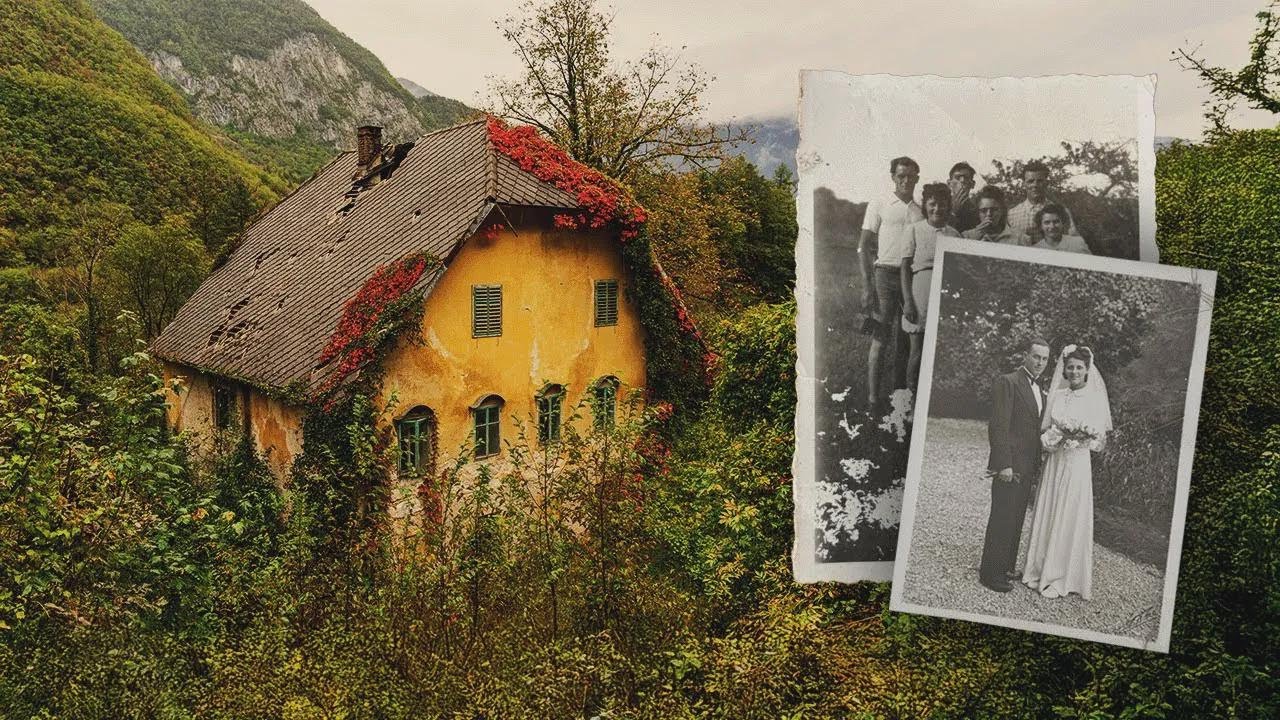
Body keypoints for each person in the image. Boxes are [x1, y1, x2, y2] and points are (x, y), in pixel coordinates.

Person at [1022, 345, 1113, 599]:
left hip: (1077, 465)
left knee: (1069, 513)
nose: (1074, 371)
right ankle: (1038, 571)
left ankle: (1061, 577)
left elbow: (1099, 441)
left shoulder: (1094, 399)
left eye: (1079, 367)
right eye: (1070, 367)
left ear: (1087, 369)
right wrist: (1054, 439)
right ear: (1064, 369)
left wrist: (1081, 438)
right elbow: (1047, 431)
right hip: (1056, 462)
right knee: (1050, 508)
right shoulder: (1059, 395)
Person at [979, 338, 1050, 593]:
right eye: (1036, 356)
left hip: (1028, 465)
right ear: (1025, 356)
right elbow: (998, 426)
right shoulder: (1008, 382)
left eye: (1044, 359)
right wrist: (1004, 464)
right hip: (1010, 465)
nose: (1040, 362)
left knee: (1016, 517)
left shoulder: (1041, 389)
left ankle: (1006, 567)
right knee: (1002, 517)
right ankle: (990, 574)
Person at [859, 156, 922, 411]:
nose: (905, 180)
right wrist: (867, 285)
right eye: (901, 176)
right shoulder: (880, 203)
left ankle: (900, 399)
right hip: (884, 275)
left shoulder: (920, 211)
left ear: (917, 178)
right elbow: (863, 246)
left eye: (910, 176)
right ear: (893, 177)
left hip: (911, 277)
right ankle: (873, 400)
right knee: (880, 339)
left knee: (907, 340)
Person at [900, 183, 959, 391]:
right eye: (932, 204)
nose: (937, 209)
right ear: (925, 205)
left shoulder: (954, 234)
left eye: (942, 204)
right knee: (916, 351)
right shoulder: (914, 230)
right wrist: (908, 301)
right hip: (921, 292)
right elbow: (905, 267)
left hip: (945, 293)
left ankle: (934, 397)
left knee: (939, 352)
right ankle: (911, 397)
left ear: (948, 206)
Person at [1005, 160, 1079, 243]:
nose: (1035, 185)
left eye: (1039, 181)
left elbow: (1074, 242)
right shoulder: (1012, 214)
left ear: (1046, 183)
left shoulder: (1061, 211)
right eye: (1030, 181)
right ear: (1024, 184)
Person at [948, 162, 980, 233]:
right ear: (949, 184)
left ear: (972, 184)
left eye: (966, 178)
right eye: (957, 177)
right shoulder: (940, 206)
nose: (962, 180)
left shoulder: (979, 210)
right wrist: (953, 213)